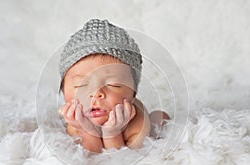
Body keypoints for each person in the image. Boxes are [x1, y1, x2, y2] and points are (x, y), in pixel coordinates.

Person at [58, 19, 169, 153]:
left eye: (112, 84)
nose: (96, 93)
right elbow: (91, 157)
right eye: (81, 85)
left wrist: (112, 133)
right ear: (63, 92)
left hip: (140, 127)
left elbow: (120, 161)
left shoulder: (138, 124)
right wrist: (86, 130)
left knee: (160, 120)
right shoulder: (75, 122)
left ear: (133, 93)